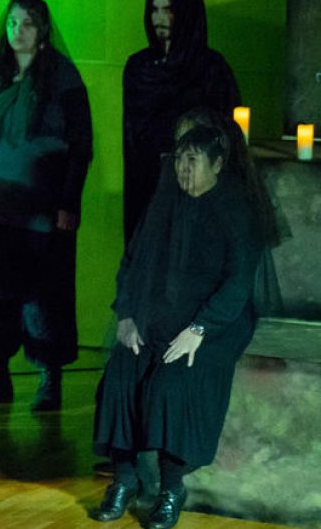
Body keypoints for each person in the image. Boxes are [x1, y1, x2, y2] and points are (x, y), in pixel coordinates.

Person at [91, 121, 265, 529]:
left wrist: (200, 329)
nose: (184, 170)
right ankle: (124, 479)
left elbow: (238, 282)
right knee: (121, 374)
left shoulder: (235, 209)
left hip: (215, 325)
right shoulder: (165, 202)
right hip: (154, 317)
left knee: (171, 383)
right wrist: (128, 314)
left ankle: (171, 489)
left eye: (194, 161)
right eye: (180, 161)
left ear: (218, 164)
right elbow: (132, 263)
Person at [0, 0, 94, 410]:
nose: (19, 31)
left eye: (28, 23)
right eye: (13, 22)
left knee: (43, 293)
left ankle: (50, 380)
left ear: (43, 28)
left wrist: (70, 202)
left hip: (41, 208)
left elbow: (80, 144)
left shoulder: (63, 77)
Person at [123, 0, 241, 244]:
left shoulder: (211, 69)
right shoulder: (139, 68)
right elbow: (133, 137)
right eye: (154, 10)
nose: (159, 19)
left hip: (196, 191)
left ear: (186, 13)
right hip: (148, 188)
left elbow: (225, 137)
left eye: (168, 10)